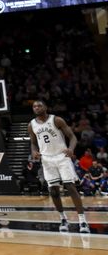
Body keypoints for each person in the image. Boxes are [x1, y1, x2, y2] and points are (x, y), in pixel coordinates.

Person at [28, 100, 90, 233]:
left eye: (39, 105)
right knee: (54, 191)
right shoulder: (31, 125)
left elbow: (72, 137)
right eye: (34, 106)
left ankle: (82, 220)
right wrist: (33, 151)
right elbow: (33, 143)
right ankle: (63, 218)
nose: (37, 108)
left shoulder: (56, 120)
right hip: (46, 159)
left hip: (62, 157)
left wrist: (71, 149)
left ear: (46, 107)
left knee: (70, 187)